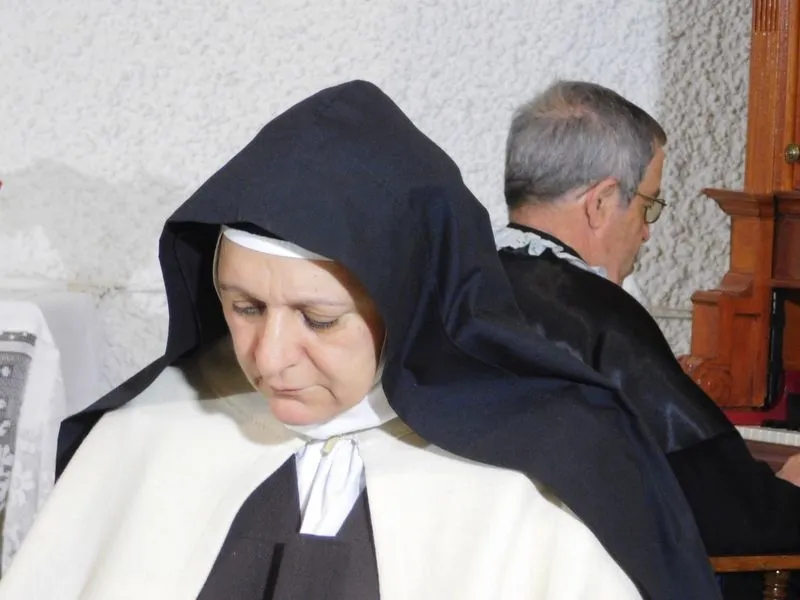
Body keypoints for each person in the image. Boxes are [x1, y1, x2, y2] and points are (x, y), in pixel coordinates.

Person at [0, 81, 719, 600]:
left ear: (409, 305)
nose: (268, 358)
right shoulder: (149, 438)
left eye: (317, 319)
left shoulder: (545, 478)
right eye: (244, 307)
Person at [496, 80, 800, 597]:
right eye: (648, 205)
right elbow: (728, 514)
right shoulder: (596, 314)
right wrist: (787, 493)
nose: (647, 232)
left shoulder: (469, 286)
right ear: (600, 203)